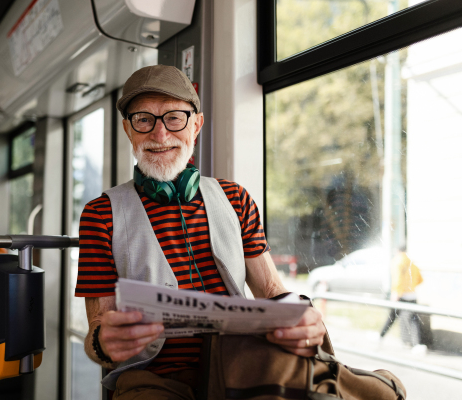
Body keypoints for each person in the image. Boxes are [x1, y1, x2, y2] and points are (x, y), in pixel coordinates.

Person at [74, 65, 325, 399]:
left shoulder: (235, 198)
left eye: (174, 118)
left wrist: (301, 314)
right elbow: (97, 330)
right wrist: (104, 342)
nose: (160, 135)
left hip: (244, 366)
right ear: (128, 130)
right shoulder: (100, 214)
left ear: (196, 125)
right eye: (144, 119)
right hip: (153, 379)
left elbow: (270, 288)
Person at [380, 246, 424, 346]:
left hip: (400, 295)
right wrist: (411, 287)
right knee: (413, 320)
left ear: (397, 251)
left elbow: (397, 278)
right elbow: (420, 279)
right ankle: (417, 344)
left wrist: (396, 293)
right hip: (412, 295)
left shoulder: (397, 261)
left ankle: (380, 336)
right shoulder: (412, 262)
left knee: (392, 316)